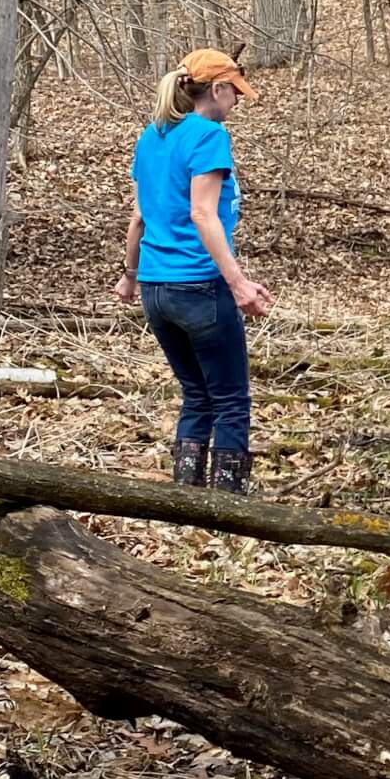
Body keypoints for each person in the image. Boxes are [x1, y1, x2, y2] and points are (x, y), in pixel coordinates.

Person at [114, 49, 271, 493]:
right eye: (235, 92)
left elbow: (139, 217)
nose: (237, 103)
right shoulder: (208, 136)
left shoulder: (152, 136)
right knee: (231, 401)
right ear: (217, 89)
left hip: (156, 289)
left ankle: (186, 497)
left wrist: (130, 274)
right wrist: (238, 283)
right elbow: (204, 215)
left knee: (196, 395)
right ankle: (229, 503)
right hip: (199, 284)